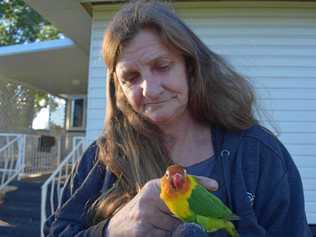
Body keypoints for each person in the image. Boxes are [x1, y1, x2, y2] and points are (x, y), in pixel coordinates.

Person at [44, 1, 312, 236]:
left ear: (191, 68)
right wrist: (111, 229)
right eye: (131, 78)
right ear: (119, 89)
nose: (149, 88)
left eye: (162, 66)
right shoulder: (100, 159)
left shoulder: (260, 154)